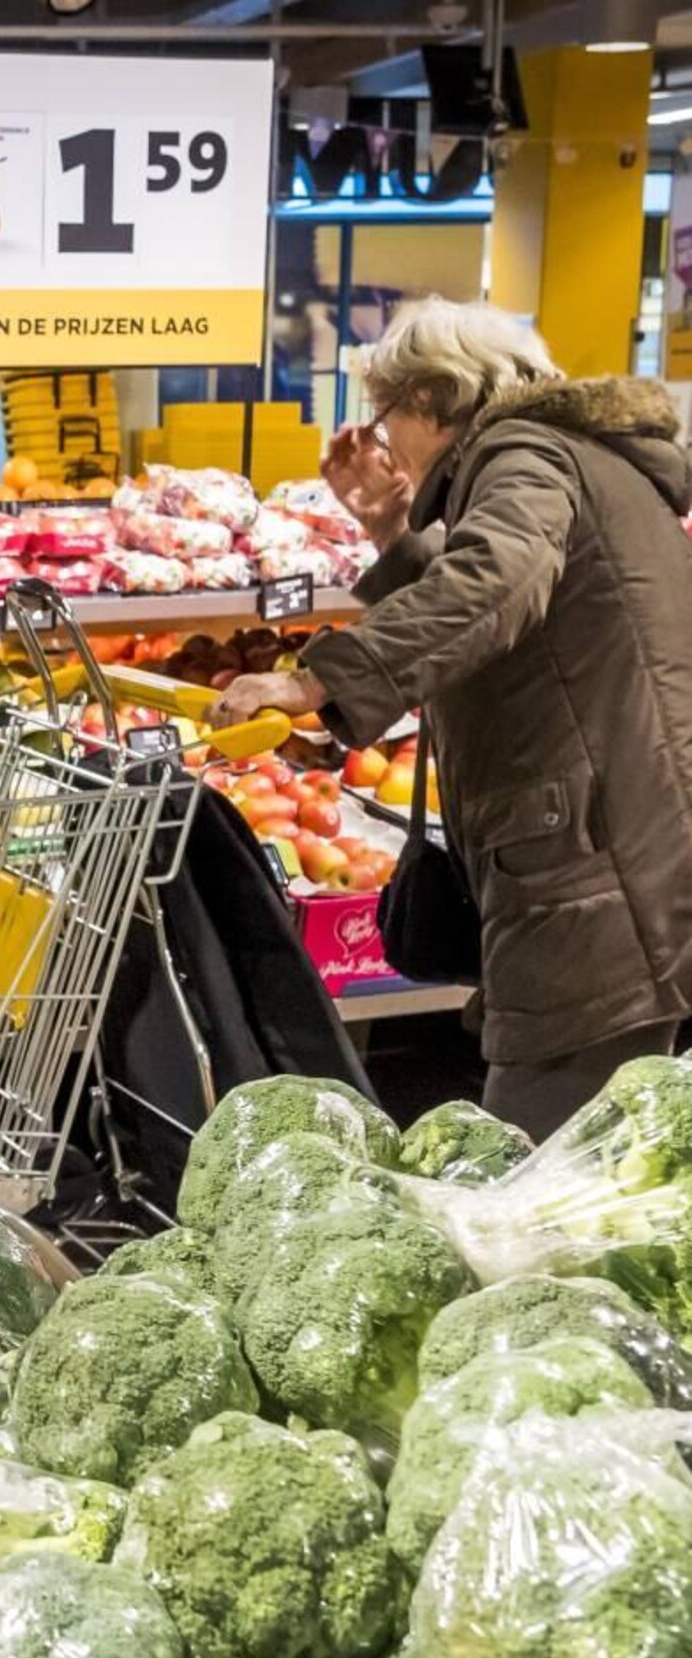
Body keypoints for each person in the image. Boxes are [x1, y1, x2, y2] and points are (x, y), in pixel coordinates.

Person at [214, 298, 692, 1138]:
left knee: (543, 1167)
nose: (381, 436)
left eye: (386, 411)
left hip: (602, 873)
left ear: (435, 399)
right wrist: (393, 528)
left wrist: (314, 681)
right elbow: (500, 617)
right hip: (625, 853)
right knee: (612, 1159)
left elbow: (494, 581)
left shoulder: (527, 453)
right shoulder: (567, 458)